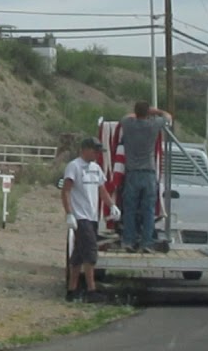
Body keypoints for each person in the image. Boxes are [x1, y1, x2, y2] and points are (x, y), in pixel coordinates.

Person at [63, 137, 119, 302]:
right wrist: (69, 213)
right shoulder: (74, 166)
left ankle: (72, 290)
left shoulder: (96, 168)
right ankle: (91, 290)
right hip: (80, 216)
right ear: (85, 149)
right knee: (90, 252)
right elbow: (66, 191)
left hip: (92, 216)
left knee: (79, 255)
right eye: (94, 151)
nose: (96, 154)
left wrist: (112, 206)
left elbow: (102, 190)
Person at [118, 100, 173, 253]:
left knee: (130, 209)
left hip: (132, 172)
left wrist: (140, 112)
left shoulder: (128, 124)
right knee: (148, 210)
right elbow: (168, 117)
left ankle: (128, 240)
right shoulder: (153, 125)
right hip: (148, 172)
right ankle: (146, 242)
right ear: (147, 112)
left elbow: (126, 116)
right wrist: (154, 111)